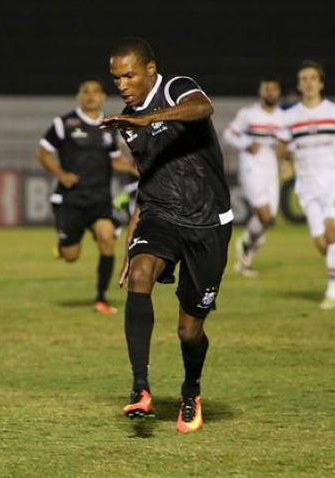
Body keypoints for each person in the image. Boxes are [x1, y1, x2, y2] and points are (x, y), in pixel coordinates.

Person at [101, 38, 233, 433]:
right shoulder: (126, 122)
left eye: (129, 74)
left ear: (150, 71)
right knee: (139, 277)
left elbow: (203, 108)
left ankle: (191, 391)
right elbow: (150, 176)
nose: (122, 84)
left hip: (208, 221)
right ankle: (140, 388)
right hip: (160, 215)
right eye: (116, 77)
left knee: (189, 330)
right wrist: (132, 240)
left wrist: (146, 119)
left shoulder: (175, 88)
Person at [37, 78, 138, 314]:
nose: (90, 96)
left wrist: (136, 168)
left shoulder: (108, 126)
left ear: (103, 96)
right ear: (79, 96)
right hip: (71, 200)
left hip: (99, 200)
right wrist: (61, 175)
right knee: (71, 256)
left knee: (107, 238)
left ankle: (101, 299)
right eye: (85, 92)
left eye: (95, 92)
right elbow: (43, 153)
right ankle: (63, 245)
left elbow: (115, 160)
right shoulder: (64, 123)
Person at [277, 60, 335, 310]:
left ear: (321, 83)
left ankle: (332, 291)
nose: (308, 82)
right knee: (322, 243)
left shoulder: (332, 112)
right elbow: (281, 147)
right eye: (304, 79)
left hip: (332, 181)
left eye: (313, 77)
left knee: (332, 234)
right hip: (307, 186)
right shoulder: (290, 117)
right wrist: (285, 163)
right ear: (299, 86)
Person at [223, 78, 284, 276]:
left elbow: (288, 142)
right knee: (264, 215)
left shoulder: (283, 117)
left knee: (268, 219)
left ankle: (246, 250)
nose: (271, 93)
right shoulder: (248, 114)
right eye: (267, 89)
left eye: (274, 89)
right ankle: (246, 246)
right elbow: (229, 134)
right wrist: (247, 143)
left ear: (278, 92)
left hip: (271, 168)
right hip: (251, 168)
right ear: (261, 91)